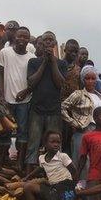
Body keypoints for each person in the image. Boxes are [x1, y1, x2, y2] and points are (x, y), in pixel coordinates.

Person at [25, 32, 67, 171]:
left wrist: (53, 62)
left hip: (53, 110)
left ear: (54, 43)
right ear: (41, 43)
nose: (48, 42)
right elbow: (31, 82)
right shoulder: (33, 62)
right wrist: (44, 62)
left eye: (51, 40)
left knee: (54, 145)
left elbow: (60, 83)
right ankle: (28, 175)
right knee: (33, 143)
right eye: (45, 40)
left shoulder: (61, 63)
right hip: (37, 109)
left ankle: (53, 174)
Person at [0, 25, 36, 161]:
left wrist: (26, 91)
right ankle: (2, 159)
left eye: (25, 37)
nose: (22, 39)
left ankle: (20, 162)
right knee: (4, 131)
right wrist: (1, 95)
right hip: (6, 99)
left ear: (29, 40)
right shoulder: (5, 52)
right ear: (14, 37)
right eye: (19, 36)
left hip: (24, 101)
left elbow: (35, 79)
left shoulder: (32, 57)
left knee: (23, 131)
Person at [62, 66, 101, 165]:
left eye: (93, 78)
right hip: (83, 132)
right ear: (83, 80)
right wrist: (73, 122)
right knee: (82, 162)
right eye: (87, 78)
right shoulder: (78, 94)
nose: (90, 81)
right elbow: (62, 107)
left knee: (97, 162)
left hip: (100, 133)